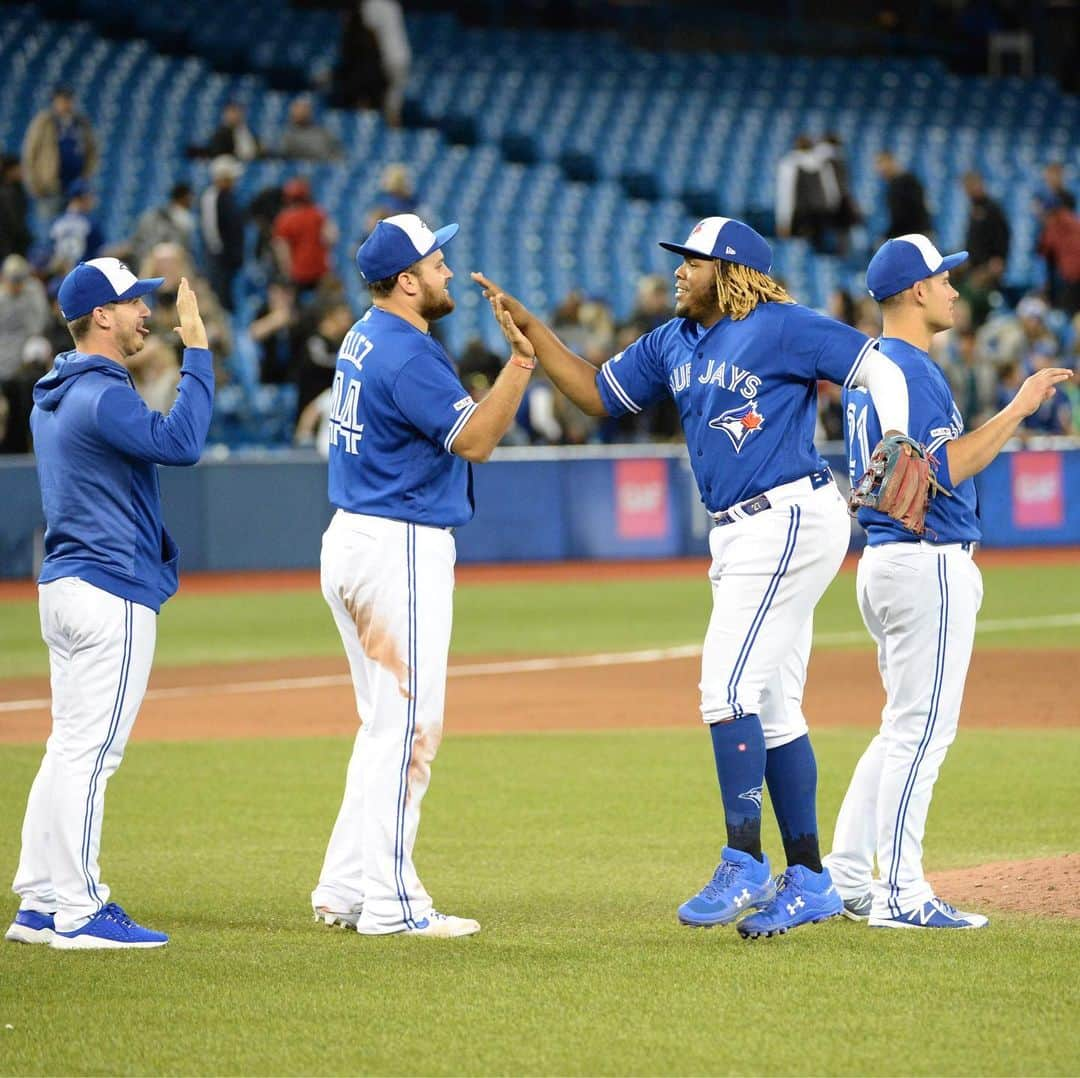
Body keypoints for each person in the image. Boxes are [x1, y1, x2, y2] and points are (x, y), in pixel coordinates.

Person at [473, 216, 912, 938]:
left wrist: (895, 435)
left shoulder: (781, 325)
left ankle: (744, 859)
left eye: (693, 260)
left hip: (789, 514)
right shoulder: (672, 339)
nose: (679, 270)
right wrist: (531, 330)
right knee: (771, 708)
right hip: (739, 529)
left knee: (724, 689)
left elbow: (881, 367)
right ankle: (809, 878)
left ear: (732, 269)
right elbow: (597, 393)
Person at [825, 235, 1072, 929]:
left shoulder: (869, 370)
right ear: (913, 293)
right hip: (925, 557)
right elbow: (945, 468)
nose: (955, 290)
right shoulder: (911, 368)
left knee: (899, 727)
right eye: (943, 278)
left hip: (886, 560)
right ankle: (902, 893)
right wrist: (1018, 408)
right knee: (922, 733)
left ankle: (847, 876)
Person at [311, 213, 536, 938]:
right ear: (406, 281)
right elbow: (475, 439)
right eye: (436, 263)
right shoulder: (406, 351)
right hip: (396, 543)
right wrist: (521, 364)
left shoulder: (368, 332)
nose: (447, 272)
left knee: (384, 725)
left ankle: (347, 886)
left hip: (355, 537)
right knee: (409, 730)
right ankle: (392, 903)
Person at [5, 257, 214, 949]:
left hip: (64, 584)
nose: (145, 313)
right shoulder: (102, 392)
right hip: (109, 588)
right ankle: (82, 909)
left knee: (67, 747)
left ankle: (38, 902)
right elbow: (181, 442)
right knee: (93, 755)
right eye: (133, 303)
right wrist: (200, 352)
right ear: (101, 315)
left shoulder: (54, 391)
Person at [21, 85, 99, 221]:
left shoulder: (80, 122)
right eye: (62, 100)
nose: (66, 104)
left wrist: (86, 175)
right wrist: (34, 184)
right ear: (55, 101)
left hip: (76, 185)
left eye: (69, 100)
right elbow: (30, 154)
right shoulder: (44, 122)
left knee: (76, 228)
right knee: (51, 228)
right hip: (51, 186)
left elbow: (92, 150)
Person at [0, 254, 50, 453]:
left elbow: (38, 328)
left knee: (29, 383)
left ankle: (32, 446)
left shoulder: (34, 292)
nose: (17, 286)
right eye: (13, 281)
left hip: (25, 365)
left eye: (21, 280)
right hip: (3, 366)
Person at [271, 177, 338, 296]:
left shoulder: (284, 219)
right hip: (320, 270)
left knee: (298, 311)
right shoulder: (317, 213)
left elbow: (281, 249)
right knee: (324, 307)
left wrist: (286, 271)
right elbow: (332, 237)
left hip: (297, 274)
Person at [199, 155, 246, 311]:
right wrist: (220, 253)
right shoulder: (212, 197)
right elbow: (211, 229)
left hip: (229, 256)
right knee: (220, 297)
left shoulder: (229, 196)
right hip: (220, 258)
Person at [775, 134, 835, 252]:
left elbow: (786, 195)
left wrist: (783, 222)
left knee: (797, 252)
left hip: (799, 215)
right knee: (818, 252)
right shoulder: (823, 163)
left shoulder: (789, 164)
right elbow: (831, 191)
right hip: (820, 214)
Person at [129, 182, 196, 266]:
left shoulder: (182, 216)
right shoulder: (180, 216)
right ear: (185, 197)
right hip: (158, 257)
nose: (192, 201)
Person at [47, 180, 105, 275]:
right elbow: (100, 252)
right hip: (83, 275)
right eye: (89, 197)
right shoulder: (90, 222)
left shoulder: (56, 221)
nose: (92, 200)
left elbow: (51, 250)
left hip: (58, 276)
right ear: (80, 199)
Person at [874, 151, 931, 240]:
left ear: (892, 162)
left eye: (881, 162)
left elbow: (907, 214)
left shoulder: (906, 182)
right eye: (877, 164)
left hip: (915, 236)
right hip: (910, 235)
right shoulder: (894, 184)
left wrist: (888, 235)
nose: (879, 168)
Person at [279, 96, 343, 161]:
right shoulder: (287, 135)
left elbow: (338, 154)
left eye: (304, 109)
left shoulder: (323, 134)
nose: (301, 113)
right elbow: (283, 155)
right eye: (297, 110)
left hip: (323, 166)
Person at [0, 154, 32, 261]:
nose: (21, 171)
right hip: (9, 242)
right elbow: (14, 222)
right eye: (17, 168)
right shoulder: (7, 193)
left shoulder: (18, 189)